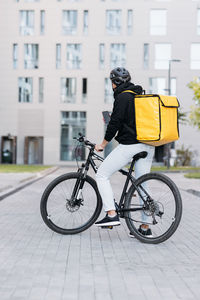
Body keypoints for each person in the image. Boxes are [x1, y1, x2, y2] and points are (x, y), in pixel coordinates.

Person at [94, 67, 155, 237]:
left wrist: (103, 144)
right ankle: (145, 228)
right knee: (143, 184)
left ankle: (111, 214)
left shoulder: (123, 97)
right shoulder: (138, 95)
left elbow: (115, 124)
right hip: (148, 145)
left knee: (101, 174)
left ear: (115, 83)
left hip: (131, 145)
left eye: (111, 82)